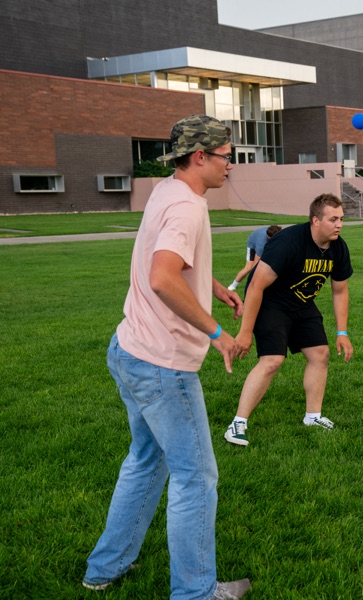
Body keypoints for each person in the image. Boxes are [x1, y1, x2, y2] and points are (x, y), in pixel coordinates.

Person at [83, 115, 251, 598]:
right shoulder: (188, 208)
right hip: (163, 365)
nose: (229, 168)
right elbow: (161, 277)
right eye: (226, 157)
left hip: (129, 350)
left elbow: (171, 261)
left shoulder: (167, 190)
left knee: (146, 459)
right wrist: (218, 333)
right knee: (196, 478)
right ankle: (197, 593)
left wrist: (210, 284)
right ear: (201, 157)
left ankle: (104, 569)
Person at [224, 194, 353, 446]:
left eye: (341, 219)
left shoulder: (338, 247)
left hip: (302, 303)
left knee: (320, 354)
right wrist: (245, 331)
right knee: (272, 360)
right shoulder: (288, 242)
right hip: (271, 303)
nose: (339, 224)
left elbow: (340, 290)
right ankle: (237, 423)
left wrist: (342, 333)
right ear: (316, 220)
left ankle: (313, 416)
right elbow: (256, 287)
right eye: (333, 219)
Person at [227, 225, 283, 291]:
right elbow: (256, 263)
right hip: (252, 244)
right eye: (268, 239)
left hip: (269, 244)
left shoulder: (281, 234)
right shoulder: (261, 243)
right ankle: (232, 286)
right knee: (249, 268)